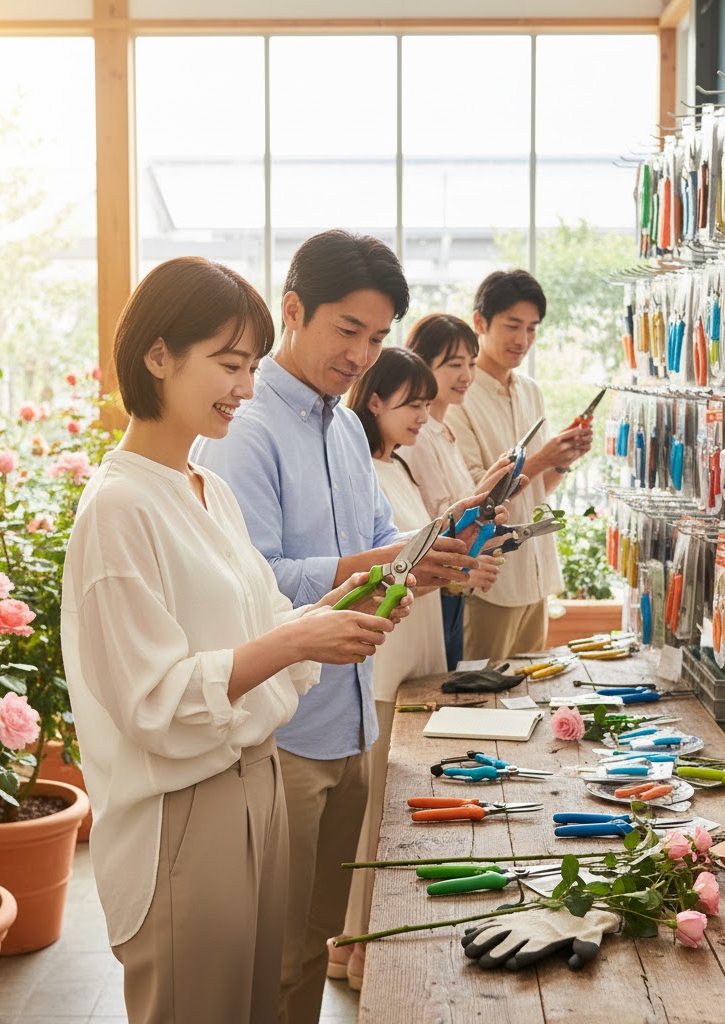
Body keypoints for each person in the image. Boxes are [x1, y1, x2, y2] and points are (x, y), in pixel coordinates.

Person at [61, 256, 404, 1024]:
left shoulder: (204, 487)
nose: (245, 389)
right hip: (181, 811)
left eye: (250, 366)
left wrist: (322, 618)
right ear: (158, 356)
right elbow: (155, 701)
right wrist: (293, 644)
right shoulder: (119, 509)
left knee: (259, 1002)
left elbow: (255, 623)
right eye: (227, 364)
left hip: (255, 783)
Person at [192, 230, 501, 1024]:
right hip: (284, 730)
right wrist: (382, 562)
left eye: (377, 336)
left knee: (320, 935)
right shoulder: (244, 426)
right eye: (347, 330)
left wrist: (428, 555)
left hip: (351, 715)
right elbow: (250, 585)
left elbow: (373, 549)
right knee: (277, 952)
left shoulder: (339, 425)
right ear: (292, 310)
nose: (363, 353)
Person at [335, 347, 447, 986]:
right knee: (376, 809)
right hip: (381, 655)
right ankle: (354, 946)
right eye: (412, 403)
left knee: (393, 803)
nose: (423, 417)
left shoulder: (397, 465)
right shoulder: (359, 470)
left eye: (427, 404)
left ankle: (359, 944)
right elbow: (371, 565)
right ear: (373, 400)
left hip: (413, 646)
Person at [444, 269, 593, 660]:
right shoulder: (460, 395)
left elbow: (537, 492)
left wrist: (562, 461)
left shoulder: (530, 391)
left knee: (525, 698)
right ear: (480, 322)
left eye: (531, 328)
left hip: (535, 576)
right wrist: (542, 457)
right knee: (477, 697)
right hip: (491, 582)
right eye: (512, 325)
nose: (522, 340)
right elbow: (474, 496)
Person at [403, 313, 521, 669]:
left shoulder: (443, 430)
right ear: (421, 364)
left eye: (470, 363)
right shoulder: (418, 437)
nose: (466, 375)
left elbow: (459, 515)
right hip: (429, 592)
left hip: (449, 589)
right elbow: (435, 524)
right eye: (454, 364)